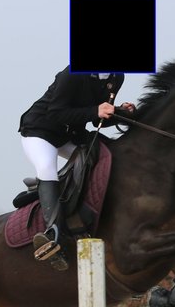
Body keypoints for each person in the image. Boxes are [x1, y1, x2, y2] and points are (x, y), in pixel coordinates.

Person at [18, 68, 135, 267]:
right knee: (47, 167)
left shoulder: (116, 77)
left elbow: (97, 120)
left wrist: (119, 113)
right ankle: (52, 235)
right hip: (40, 131)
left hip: (68, 135)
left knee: (102, 157)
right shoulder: (72, 74)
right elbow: (56, 113)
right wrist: (95, 110)